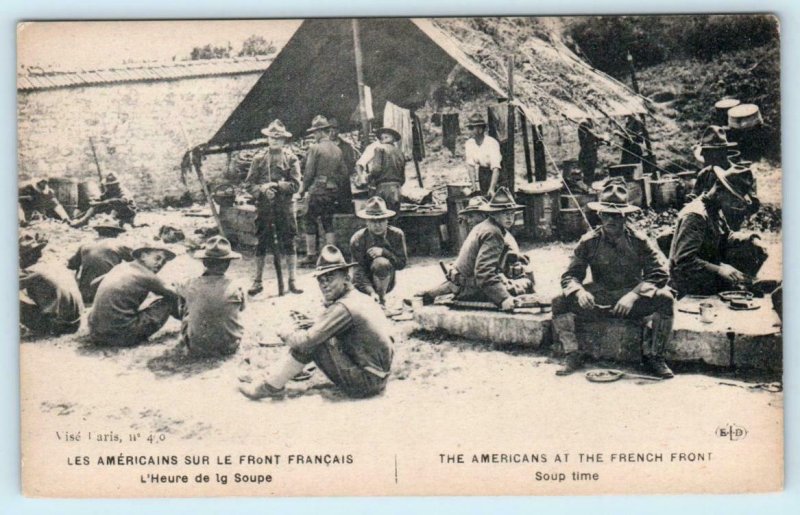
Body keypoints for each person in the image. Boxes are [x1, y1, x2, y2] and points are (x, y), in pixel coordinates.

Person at [551, 180, 675, 378]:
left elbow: (660, 273)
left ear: (625, 216)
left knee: (666, 299)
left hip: (631, 301)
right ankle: (572, 354)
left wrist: (634, 295)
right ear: (599, 215)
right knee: (559, 302)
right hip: (600, 299)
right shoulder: (589, 241)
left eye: (617, 215)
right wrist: (580, 292)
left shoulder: (639, 240)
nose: (611, 220)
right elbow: (570, 276)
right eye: (607, 214)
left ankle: (654, 357)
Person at [240, 245, 394, 400]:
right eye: (321, 280)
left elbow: (307, 341)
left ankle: (270, 386)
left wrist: (285, 333)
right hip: (378, 376)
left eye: (330, 278)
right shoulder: (359, 298)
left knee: (311, 341)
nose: (324, 284)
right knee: (313, 332)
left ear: (346, 278)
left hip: (366, 383)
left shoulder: (344, 306)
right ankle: (274, 374)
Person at [420, 187, 534, 310]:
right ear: (493, 214)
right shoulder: (493, 232)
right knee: (525, 284)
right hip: (471, 289)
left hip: (461, 284)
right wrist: (504, 299)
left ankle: (424, 296)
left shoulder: (484, 227)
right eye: (504, 213)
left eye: (512, 213)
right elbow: (484, 274)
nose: (509, 218)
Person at [669, 166, 762, 297]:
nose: (734, 205)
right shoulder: (696, 216)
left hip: (706, 276)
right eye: (733, 199)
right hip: (688, 285)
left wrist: (750, 238)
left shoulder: (714, 209)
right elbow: (685, 261)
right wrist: (720, 269)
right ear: (719, 190)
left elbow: (726, 235)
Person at [243, 119, 303, 295]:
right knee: (261, 242)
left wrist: (276, 186)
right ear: (267, 138)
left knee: (289, 242)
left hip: (284, 207)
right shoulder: (258, 159)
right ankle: (257, 281)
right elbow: (249, 184)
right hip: (264, 207)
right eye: (272, 137)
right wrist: (262, 189)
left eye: (278, 138)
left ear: (284, 140)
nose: (275, 140)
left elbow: (296, 185)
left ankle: (292, 280)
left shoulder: (291, 159)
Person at [88, 244, 179, 346]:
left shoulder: (120, 267)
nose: (160, 263)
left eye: (164, 262)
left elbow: (93, 283)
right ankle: (190, 324)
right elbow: (174, 295)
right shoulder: (147, 275)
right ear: (143, 256)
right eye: (157, 258)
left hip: (95, 333)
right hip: (120, 336)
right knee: (169, 302)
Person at [177, 236, 245, 357]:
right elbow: (242, 308)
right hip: (230, 346)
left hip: (197, 347)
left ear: (204, 262)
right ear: (228, 263)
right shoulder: (237, 285)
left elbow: (180, 297)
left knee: (186, 305)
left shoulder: (190, 284)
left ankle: (194, 333)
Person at [299, 115, 348, 266]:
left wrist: (301, 190)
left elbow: (308, 173)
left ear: (320, 132)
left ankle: (311, 255)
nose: (314, 136)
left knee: (309, 220)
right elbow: (344, 173)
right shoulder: (338, 149)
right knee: (328, 221)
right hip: (332, 191)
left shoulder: (315, 148)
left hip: (317, 190)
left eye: (314, 132)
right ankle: (331, 255)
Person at [19, 234, 83, 336]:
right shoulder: (53, 264)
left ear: (26, 257)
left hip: (58, 326)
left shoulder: (32, 271)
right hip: (76, 322)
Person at [350, 196, 408, 305]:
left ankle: (382, 299)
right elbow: (358, 270)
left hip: (386, 280)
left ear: (387, 221)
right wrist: (371, 292)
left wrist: (384, 253)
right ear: (366, 222)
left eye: (381, 220)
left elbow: (402, 263)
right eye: (373, 221)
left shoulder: (396, 235)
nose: (377, 225)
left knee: (380, 263)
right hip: (362, 283)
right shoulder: (358, 239)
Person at [66, 216, 133, 304]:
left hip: (85, 294)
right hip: (107, 293)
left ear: (98, 232)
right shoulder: (119, 244)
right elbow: (137, 263)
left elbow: (71, 265)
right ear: (116, 233)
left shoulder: (85, 244)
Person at [356, 127, 406, 213]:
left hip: (383, 188)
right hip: (397, 188)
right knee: (394, 215)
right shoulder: (400, 152)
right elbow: (403, 176)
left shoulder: (379, 149)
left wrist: (368, 178)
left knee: (382, 215)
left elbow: (376, 169)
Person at [70, 173, 137, 228]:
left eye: (112, 185)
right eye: (108, 185)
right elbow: (101, 198)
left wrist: (105, 202)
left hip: (127, 214)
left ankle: (115, 222)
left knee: (115, 204)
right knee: (95, 206)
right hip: (116, 213)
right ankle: (83, 220)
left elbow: (124, 201)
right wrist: (95, 201)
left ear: (117, 184)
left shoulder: (123, 191)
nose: (109, 187)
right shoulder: (109, 192)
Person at [690, 125, 737, 198]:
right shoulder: (704, 174)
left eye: (707, 152)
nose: (704, 155)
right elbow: (693, 196)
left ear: (722, 152)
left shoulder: (736, 173)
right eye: (705, 152)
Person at [464, 113, 502, 196]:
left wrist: (492, 188)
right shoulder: (469, 143)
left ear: (480, 129)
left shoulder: (491, 143)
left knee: (495, 198)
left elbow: (496, 168)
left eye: (472, 128)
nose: (470, 131)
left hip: (495, 174)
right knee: (484, 197)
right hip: (482, 173)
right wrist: (473, 184)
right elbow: (470, 165)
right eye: (470, 128)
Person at [329, 118, 358, 214]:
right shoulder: (322, 146)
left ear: (339, 130)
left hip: (343, 184)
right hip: (328, 185)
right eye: (330, 130)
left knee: (345, 210)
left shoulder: (347, 146)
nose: (332, 133)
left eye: (335, 130)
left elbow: (351, 164)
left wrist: (341, 175)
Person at [577, 119, 603, 186]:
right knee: (587, 172)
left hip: (592, 152)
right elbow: (589, 138)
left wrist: (600, 142)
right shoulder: (584, 123)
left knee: (591, 172)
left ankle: (589, 186)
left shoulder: (590, 123)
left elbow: (593, 140)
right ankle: (587, 187)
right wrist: (599, 138)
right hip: (586, 153)